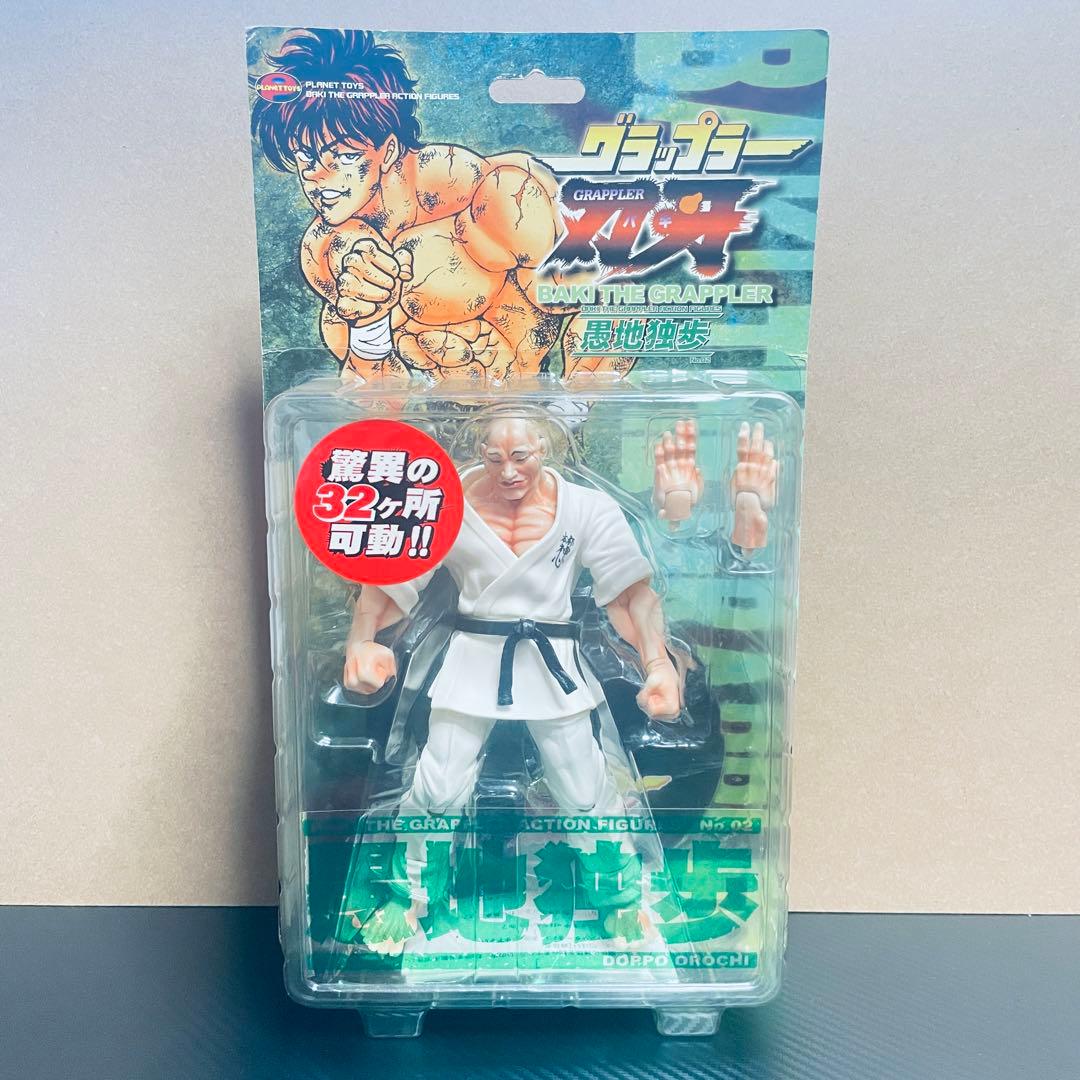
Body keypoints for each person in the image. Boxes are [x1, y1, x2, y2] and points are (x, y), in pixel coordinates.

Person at [338, 408, 777, 951]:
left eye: (520, 457)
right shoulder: (445, 503)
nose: (508, 471)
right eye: (494, 458)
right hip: (473, 657)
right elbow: (392, 579)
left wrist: (658, 664)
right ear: (478, 452)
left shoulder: (587, 507)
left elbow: (630, 596)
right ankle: (409, 896)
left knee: (585, 789)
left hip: (554, 666)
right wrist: (363, 641)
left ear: (546, 449)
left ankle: (619, 898)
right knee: (436, 786)